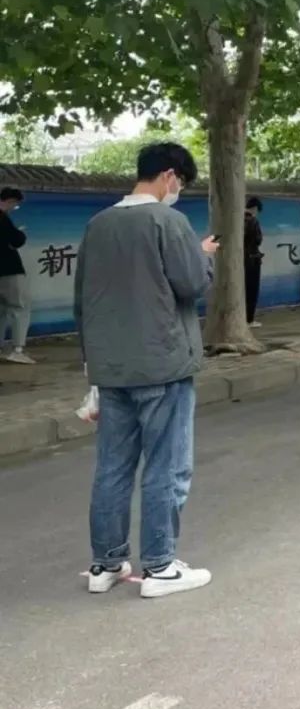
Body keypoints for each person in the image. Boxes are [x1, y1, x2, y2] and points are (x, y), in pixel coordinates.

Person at [75, 142, 217, 598]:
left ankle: (106, 563)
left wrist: (92, 368)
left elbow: (84, 301)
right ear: (170, 175)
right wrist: (202, 255)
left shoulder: (98, 224)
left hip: (111, 368)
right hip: (162, 363)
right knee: (166, 467)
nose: (178, 191)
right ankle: (159, 567)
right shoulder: (167, 222)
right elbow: (191, 282)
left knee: (112, 469)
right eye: (181, 183)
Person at [0, 186, 33, 364]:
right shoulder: (3, 218)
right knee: (19, 307)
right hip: (9, 271)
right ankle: (17, 350)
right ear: (10, 201)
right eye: (15, 205)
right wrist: (20, 233)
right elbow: (16, 240)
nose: (14, 208)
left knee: (1, 310)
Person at [243, 196, 264, 326]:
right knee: (252, 290)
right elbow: (258, 240)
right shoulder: (253, 221)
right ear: (255, 208)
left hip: (241, 259)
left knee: (243, 290)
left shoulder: (238, 219)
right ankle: (249, 319)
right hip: (252, 260)